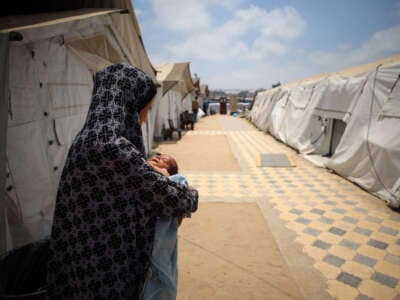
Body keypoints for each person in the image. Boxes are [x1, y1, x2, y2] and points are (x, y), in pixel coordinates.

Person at [46, 63, 198, 300]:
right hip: (105, 272)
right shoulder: (112, 147)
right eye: (145, 110)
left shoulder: (87, 138)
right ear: (127, 107)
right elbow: (175, 199)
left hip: (82, 261)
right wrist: (185, 188)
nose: (145, 120)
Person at [143, 153, 189, 300]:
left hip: (159, 242)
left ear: (169, 171)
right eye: (158, 156)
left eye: (165, 161)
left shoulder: (175, 180)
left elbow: (182, 210)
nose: (158, 158)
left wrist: (162, 176)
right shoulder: (137, 168)